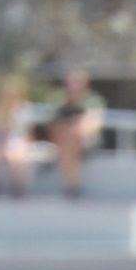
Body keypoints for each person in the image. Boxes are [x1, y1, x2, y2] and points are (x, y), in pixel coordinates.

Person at [48, 68, 105, 198]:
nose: (73, 85)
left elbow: (91, 125)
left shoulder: (92, 101)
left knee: (72, 138)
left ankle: (72, 187)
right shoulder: (60, 99)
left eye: (77, 82)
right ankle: (73, 187)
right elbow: (53, 123)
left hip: (86, 142)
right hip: (65, 141)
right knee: (68, 144)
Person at [0, 74, 33, 197]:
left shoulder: (23, 108)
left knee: (14, 158)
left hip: (16, 139)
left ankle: (17, 187)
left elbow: (23, 130)